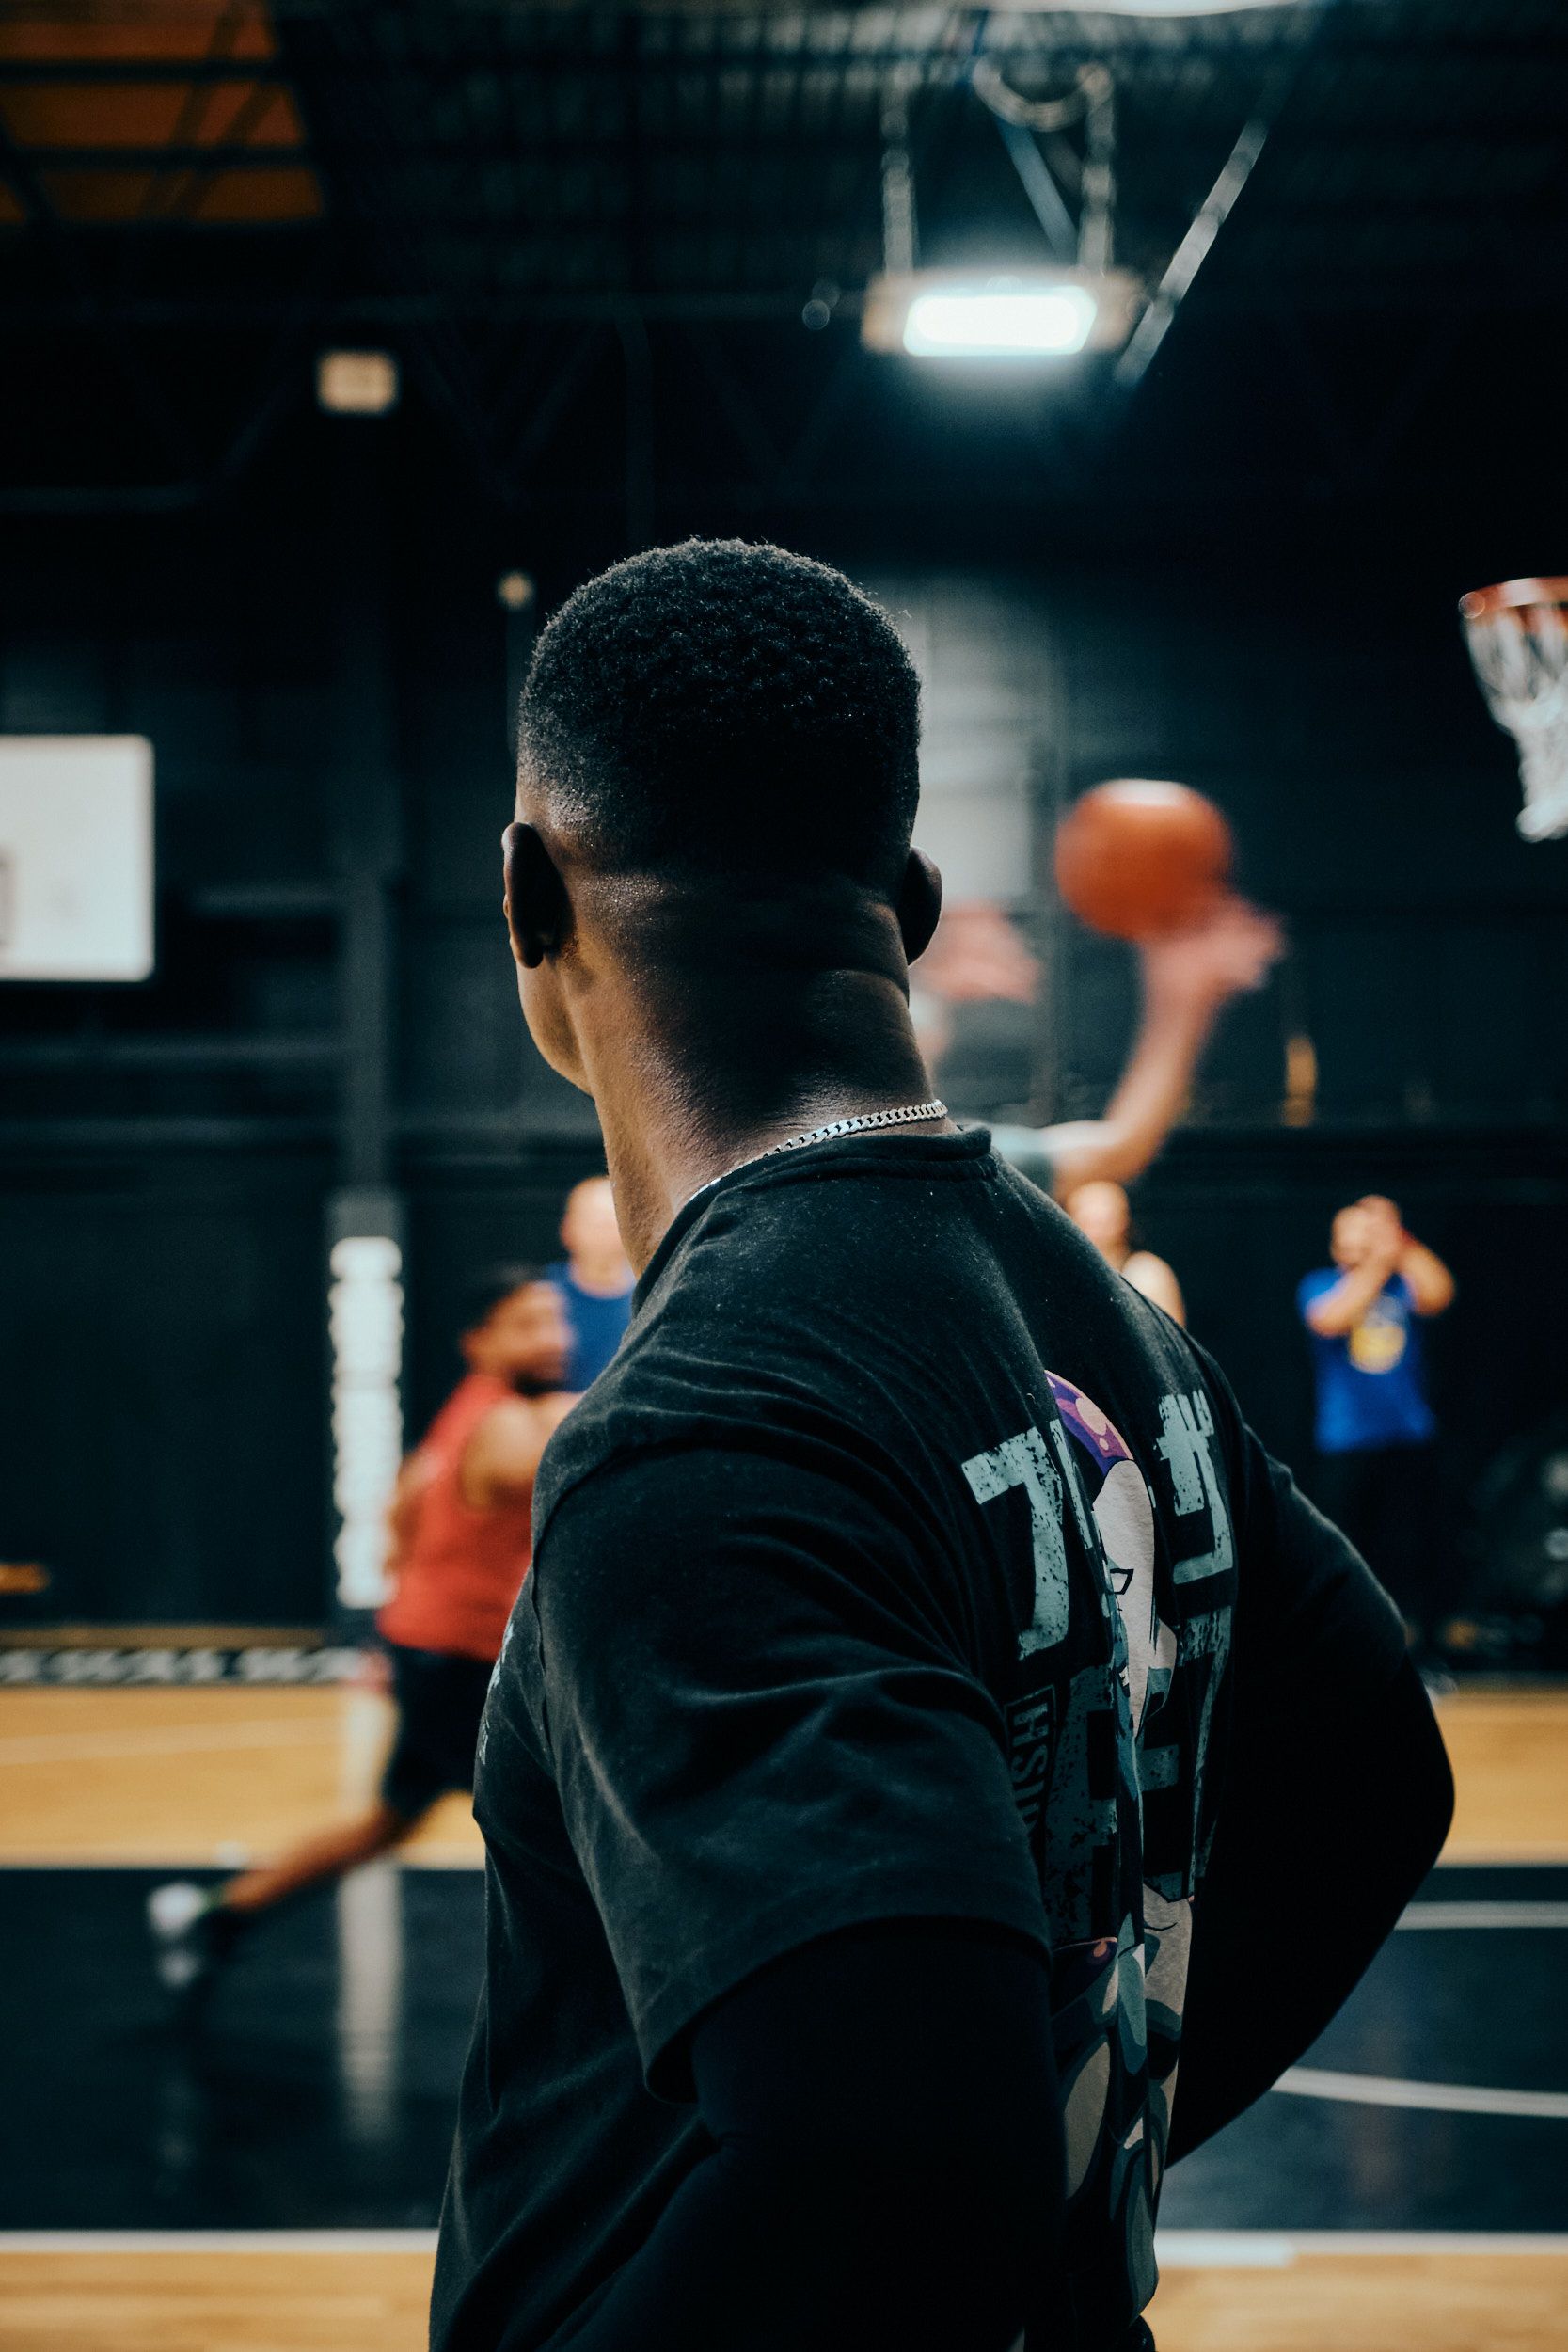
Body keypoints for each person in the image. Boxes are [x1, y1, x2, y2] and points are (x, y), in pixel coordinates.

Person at [434, 542, 1452, 2352]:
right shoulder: (1094, 1307)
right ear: (902, 901)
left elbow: (892, 2159)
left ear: (529, 894)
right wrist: (1087, 2143)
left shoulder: (699, 1432)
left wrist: (1001, 2165)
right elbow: (1378, 1772)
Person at [148, 1269, 576, 1995]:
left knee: (397, 1820)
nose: (553, 1337)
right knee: (568, 1825)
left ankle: (218, 1915)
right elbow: (585, 1452)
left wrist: (396, 1624)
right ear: (480, 1342)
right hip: (460, 1665)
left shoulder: (471, 1411)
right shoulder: (508, 1426)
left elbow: (403, 1511)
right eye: (527, 1324)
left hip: (435, 1651)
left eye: (555, 1319)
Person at [988, 894, 1282, 1203]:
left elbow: (1116, 1149)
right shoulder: (947, 1157)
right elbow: (1117, 1151)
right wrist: (1182, 1000)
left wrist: (1185, 998)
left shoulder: (950, 1155)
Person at [1298, 1195, 1457, 1659]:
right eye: (1352, 1235)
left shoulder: (1400, 1285)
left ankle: (1423, 1652)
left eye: (1368, 1234)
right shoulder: (1319, 1285)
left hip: (1407, 1435)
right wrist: (1376, 1263)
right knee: (1349, 1550)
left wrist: (1398, 1242)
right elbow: (1330, 1320)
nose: (1362, 1244)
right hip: (1347, 1441)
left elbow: (1439, 1293)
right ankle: (1349, 1647)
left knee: (1413, 1550)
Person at [547, 1174, 635, 1389]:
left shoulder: (655, 1295)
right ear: (568, 1228)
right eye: (595, 1221)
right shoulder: (542, 1298)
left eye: (613, 1219)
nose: (605, 1231)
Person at [1066, 1178, 1185, 1325]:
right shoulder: (1062, 1272)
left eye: (1102, 1220)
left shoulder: (1147, 1271)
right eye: (1087, 1219)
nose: (1096, 1230)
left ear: (1123, 1221)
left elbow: (1169, 1337)